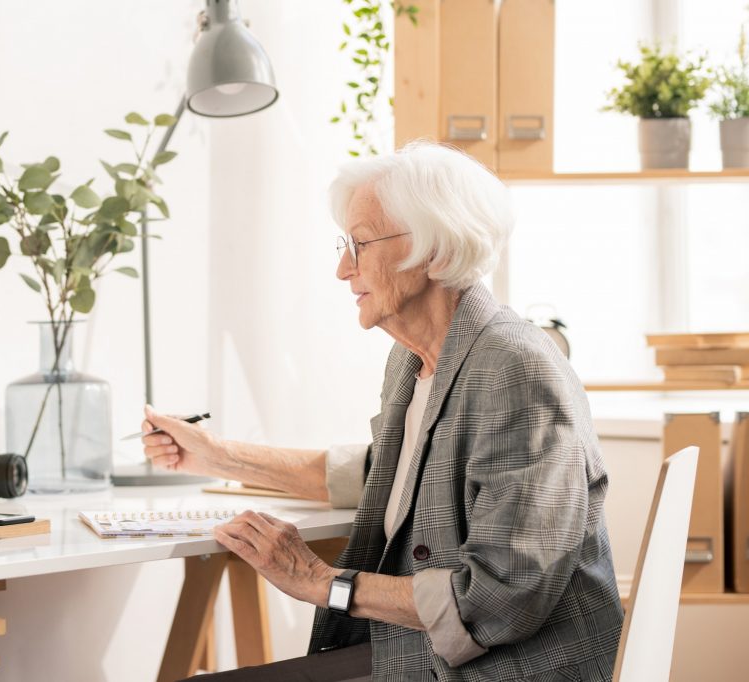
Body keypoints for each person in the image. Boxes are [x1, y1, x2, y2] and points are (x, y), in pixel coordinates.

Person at [141, 140, 623, 681]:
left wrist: (318, 580)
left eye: (361, 243)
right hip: (424, 658)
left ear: (435, 251)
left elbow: (500, 596)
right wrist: (217, 456)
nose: (344, 268)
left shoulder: (516, 370)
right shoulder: (414, 361)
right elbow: (383, 475)